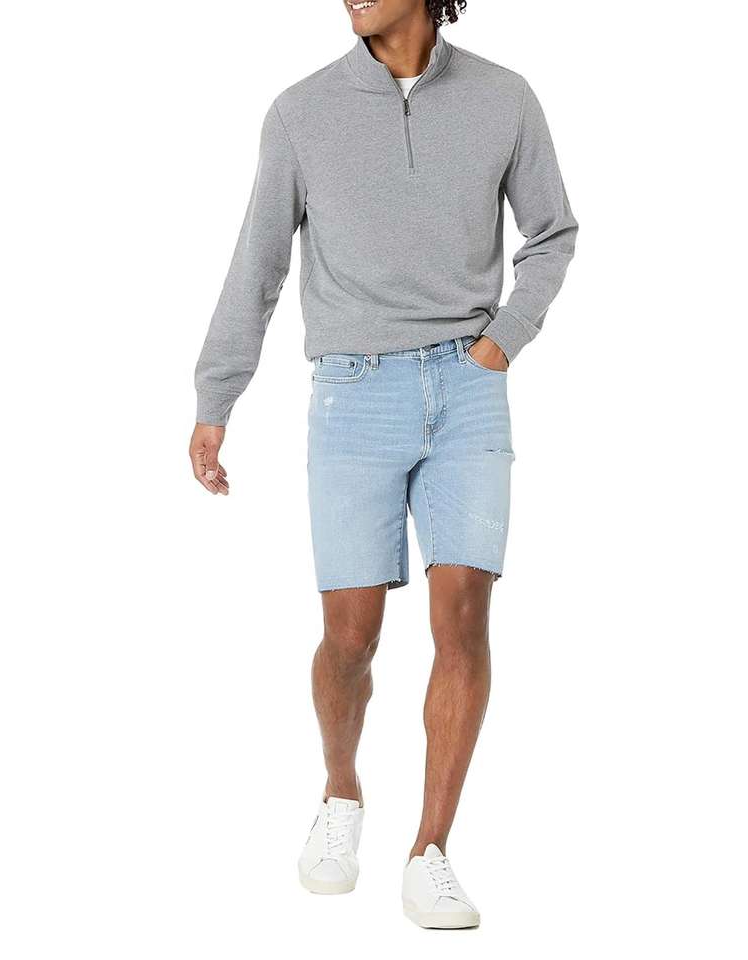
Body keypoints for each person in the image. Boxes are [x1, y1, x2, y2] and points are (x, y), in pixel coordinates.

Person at [190, 0, 577, 929]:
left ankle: (429, 850)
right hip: (352, 395)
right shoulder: (300, 111)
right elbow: (257, 265)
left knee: (463, 619)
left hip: (468, 389)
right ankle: (340, 791)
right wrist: (216, 398)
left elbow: (553, 233)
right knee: (350, 637)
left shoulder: (503, 98)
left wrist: (503, 340)